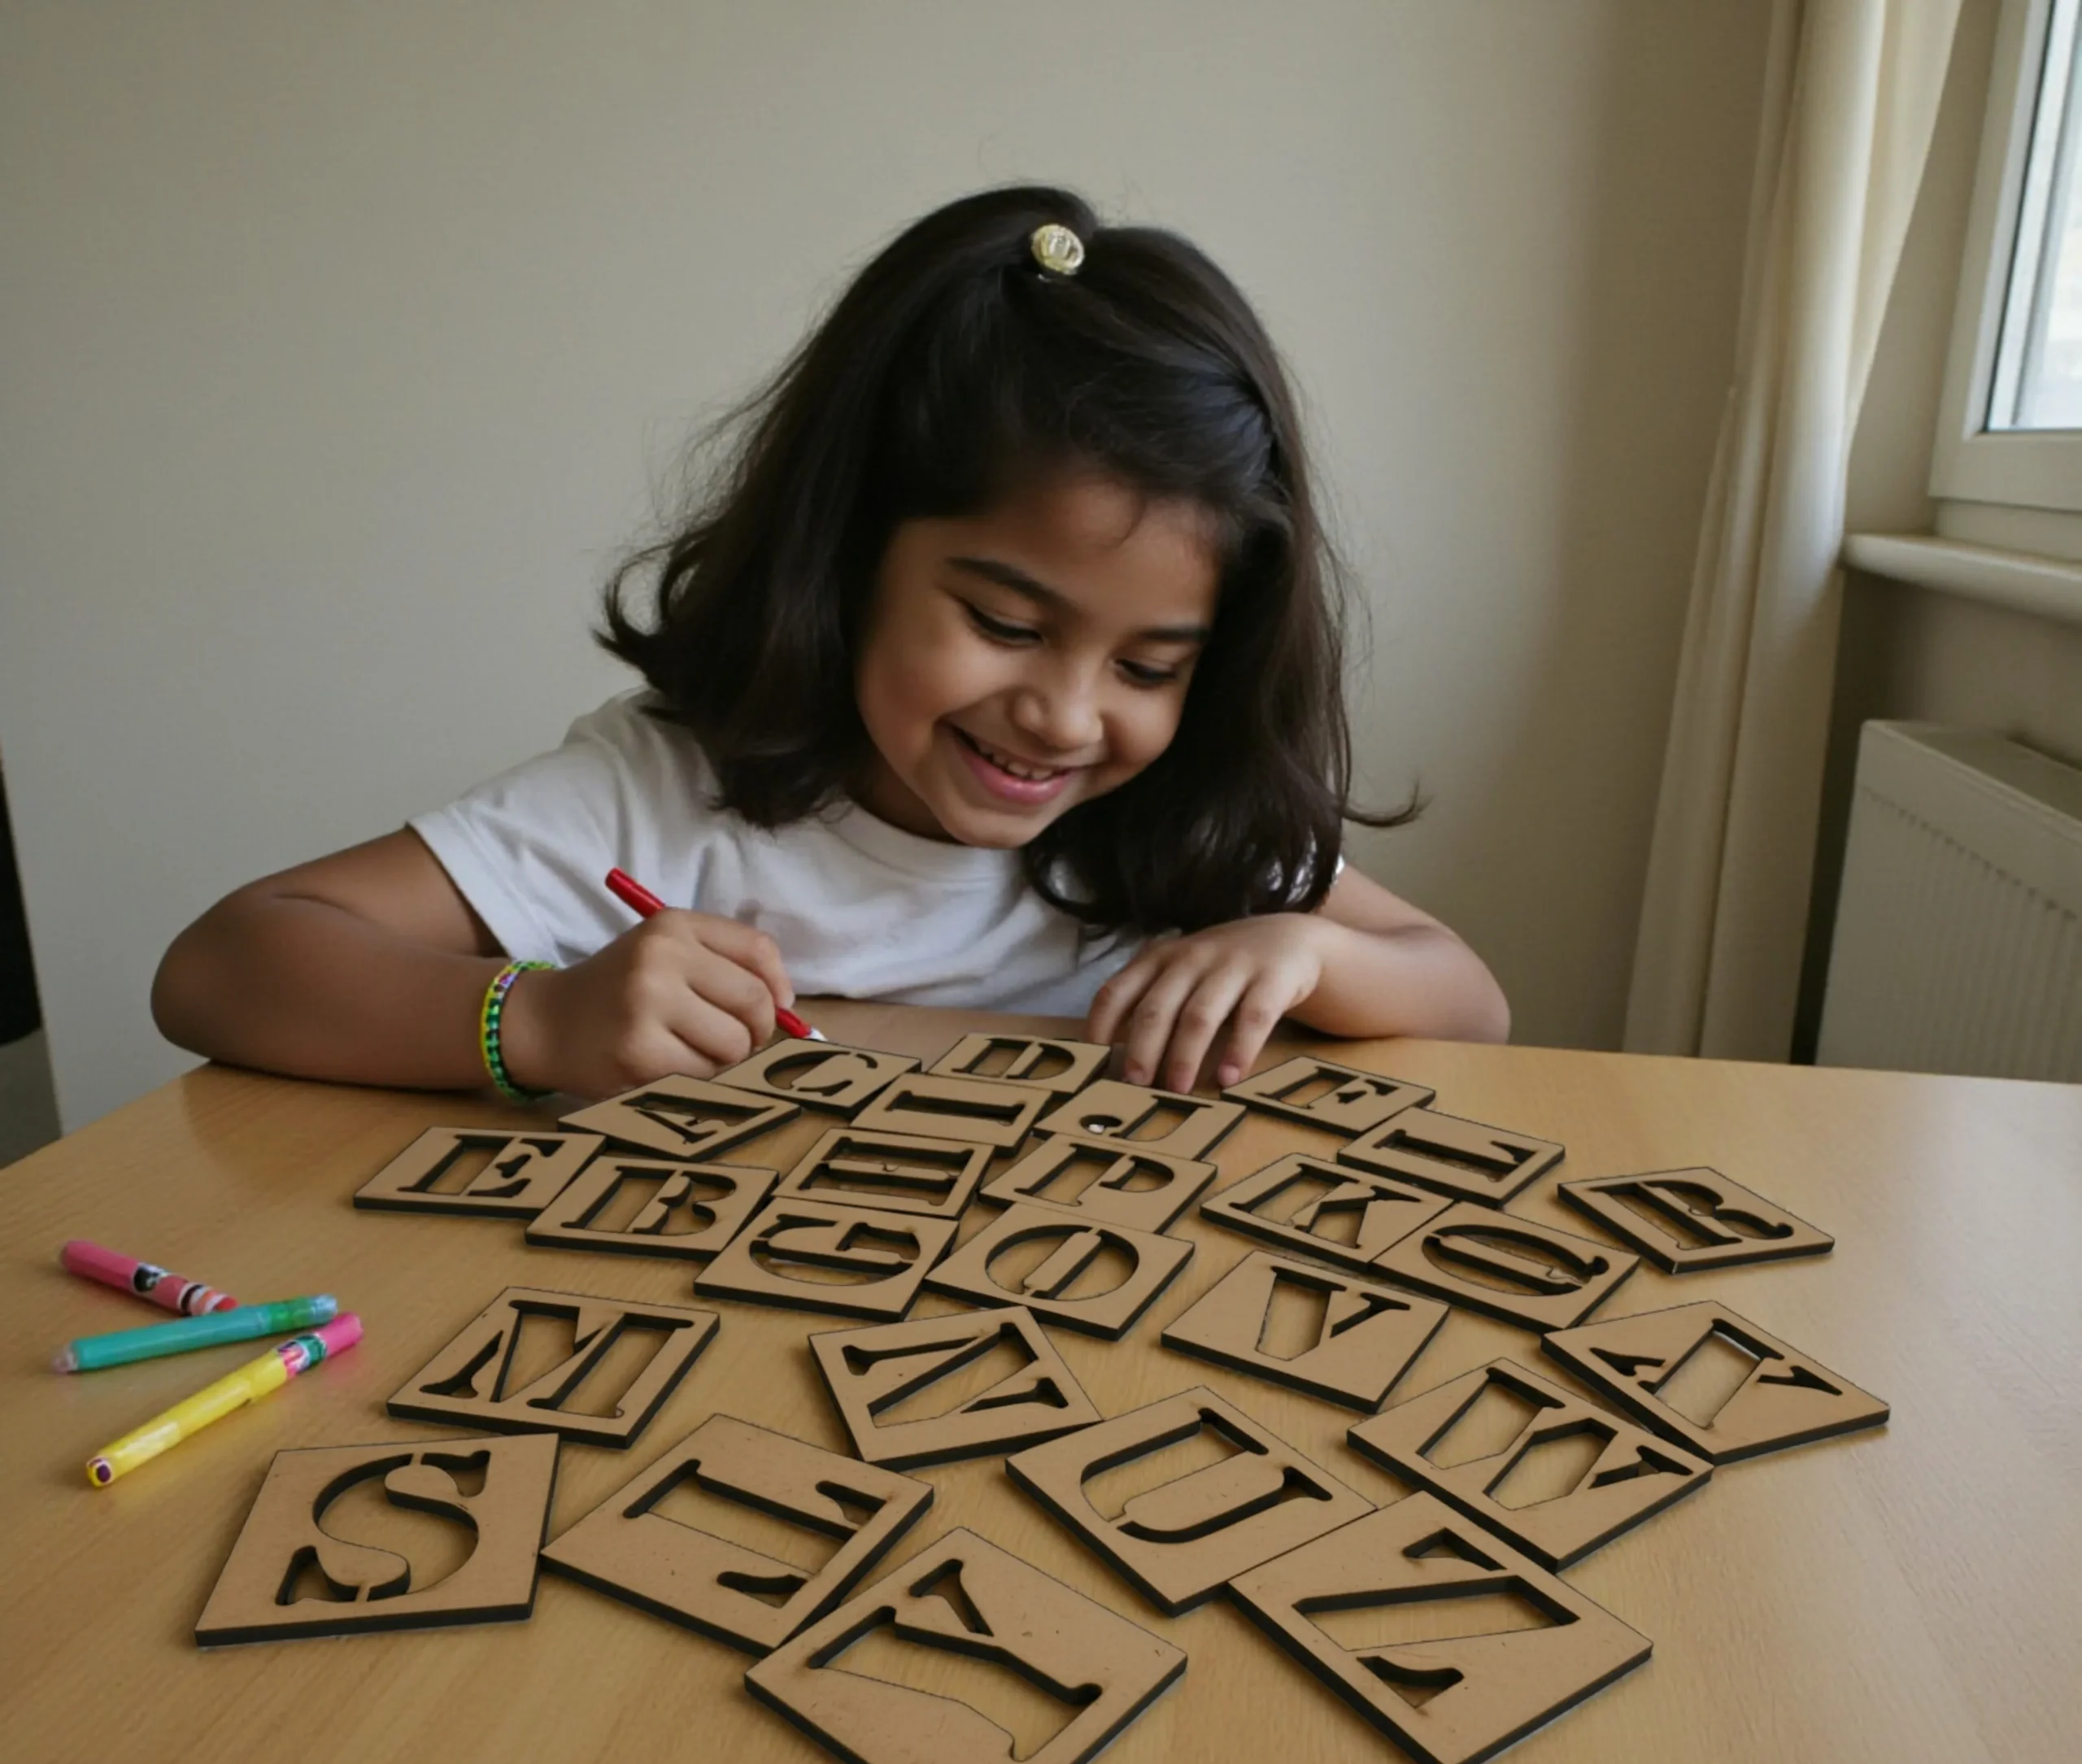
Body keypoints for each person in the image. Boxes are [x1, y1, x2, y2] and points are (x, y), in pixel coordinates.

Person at [154, 186, 1508, 1101]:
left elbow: (1472, 1008)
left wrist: (1310, 952)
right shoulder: (669, 800)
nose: (1064, 714)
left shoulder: (1176, 820)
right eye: (1006, 625)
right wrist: (546, 1021)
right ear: (847, 554)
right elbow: (223, 964)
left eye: (1149, 666)